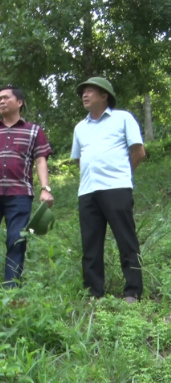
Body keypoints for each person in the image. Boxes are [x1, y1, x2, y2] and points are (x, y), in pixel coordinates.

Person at [0, 86, 53, 299]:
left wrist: (45, 188)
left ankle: (11, 295)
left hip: (20, 194)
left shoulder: (34, 131)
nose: (1, 101)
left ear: (19, 102)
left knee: (16, 241)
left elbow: (41, 159)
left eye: (6, 97)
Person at [71, 77, 146, 303]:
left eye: (90, 91)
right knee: (90, 244)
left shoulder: (123, 118)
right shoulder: (80, 127)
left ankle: (133, 291)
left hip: (117, 188)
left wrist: (122, 174)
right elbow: (79, 160)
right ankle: (93, 292)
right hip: (87, 192)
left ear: (105, 96)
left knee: (126, 239)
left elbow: (139, 152)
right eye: (83, 92)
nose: (85, 95)